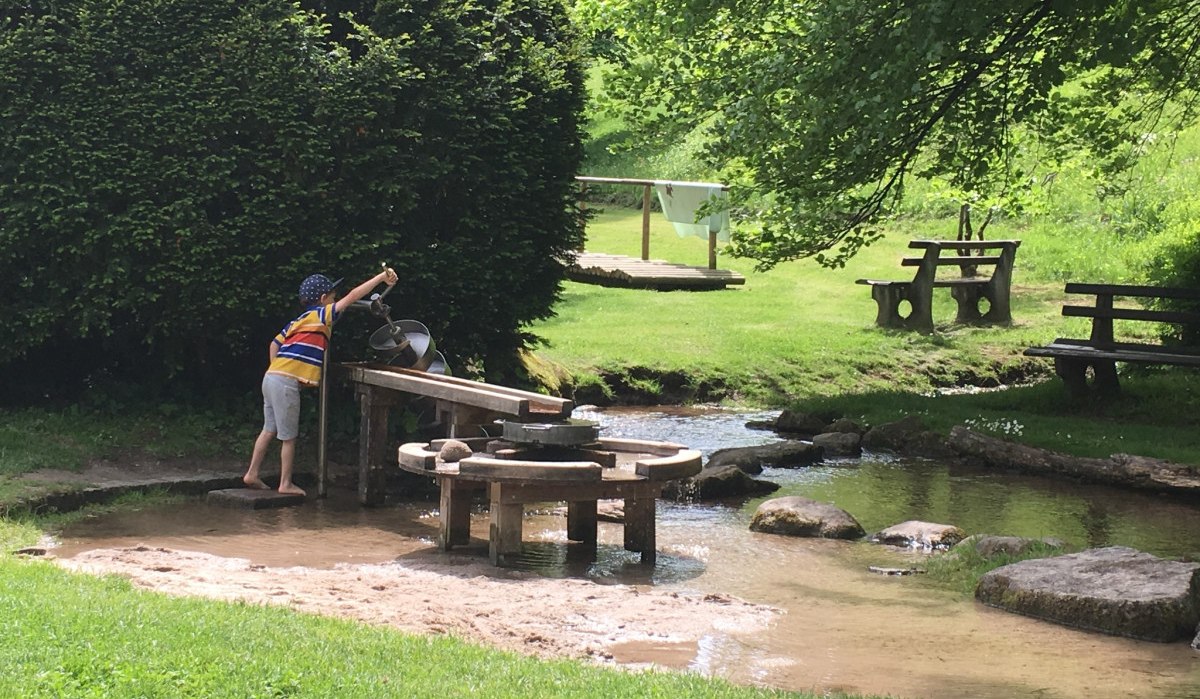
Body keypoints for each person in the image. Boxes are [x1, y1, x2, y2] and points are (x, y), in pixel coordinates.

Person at [243, 267, 399, 495]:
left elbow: (273, 345)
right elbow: (354, 296)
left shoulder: (298, 321)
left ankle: (252, 473)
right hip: (285, 382)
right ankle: (285, 483)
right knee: (288, 436)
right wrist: (380, 278)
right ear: (324, 299)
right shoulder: (322, 315)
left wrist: (277, 368)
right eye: (333, 297)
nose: (336, 301)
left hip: (271, 377)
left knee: (269, 429)